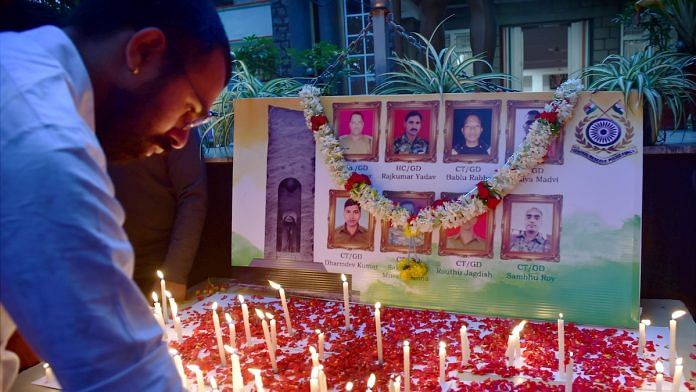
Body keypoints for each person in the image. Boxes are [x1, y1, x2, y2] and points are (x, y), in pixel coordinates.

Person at [0, 0, 231, 390]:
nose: (179, 139)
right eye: (188, 110)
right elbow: (124, 374)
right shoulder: (45, 140)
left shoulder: (18, 67)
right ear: (142, 51)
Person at [108, 131, 208, 301]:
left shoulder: (176, 121)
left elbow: (192, 197)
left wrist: (175, 273)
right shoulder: (85, 115)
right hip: (101, 268)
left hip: (156, 271)